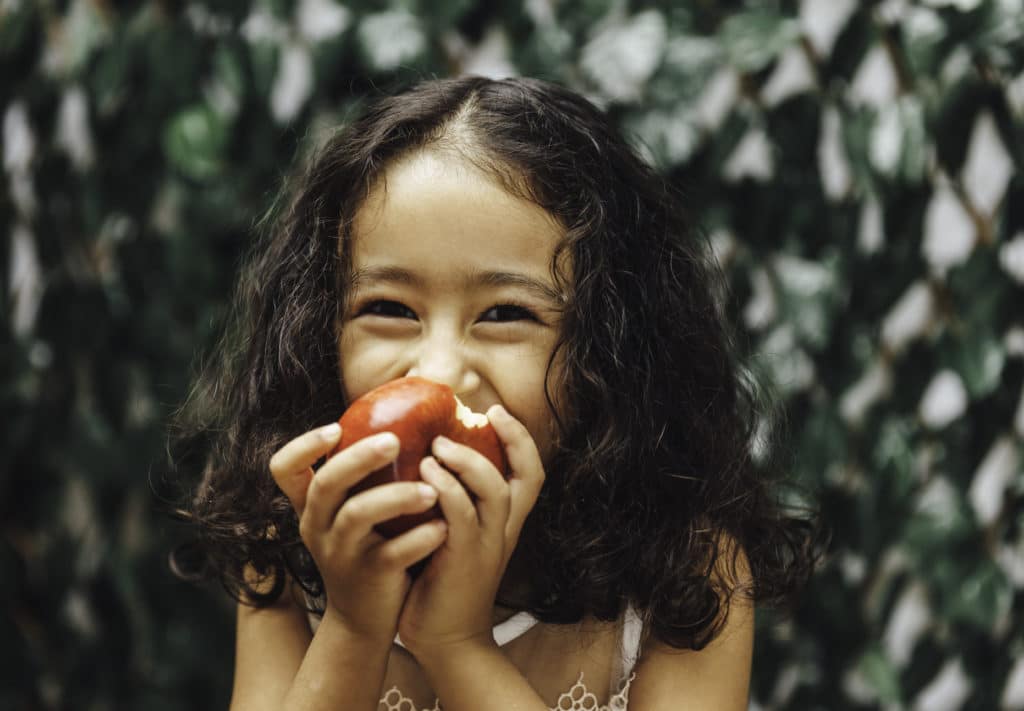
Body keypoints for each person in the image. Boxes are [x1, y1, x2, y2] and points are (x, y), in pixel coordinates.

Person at [168, 76, 822, 711]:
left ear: (611, 349)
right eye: (390, 306)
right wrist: (353, 625)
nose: (440, 371)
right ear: (321, 331)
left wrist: (457, 645)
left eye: (506, 314)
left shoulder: (687, 570)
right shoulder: (286, 543)